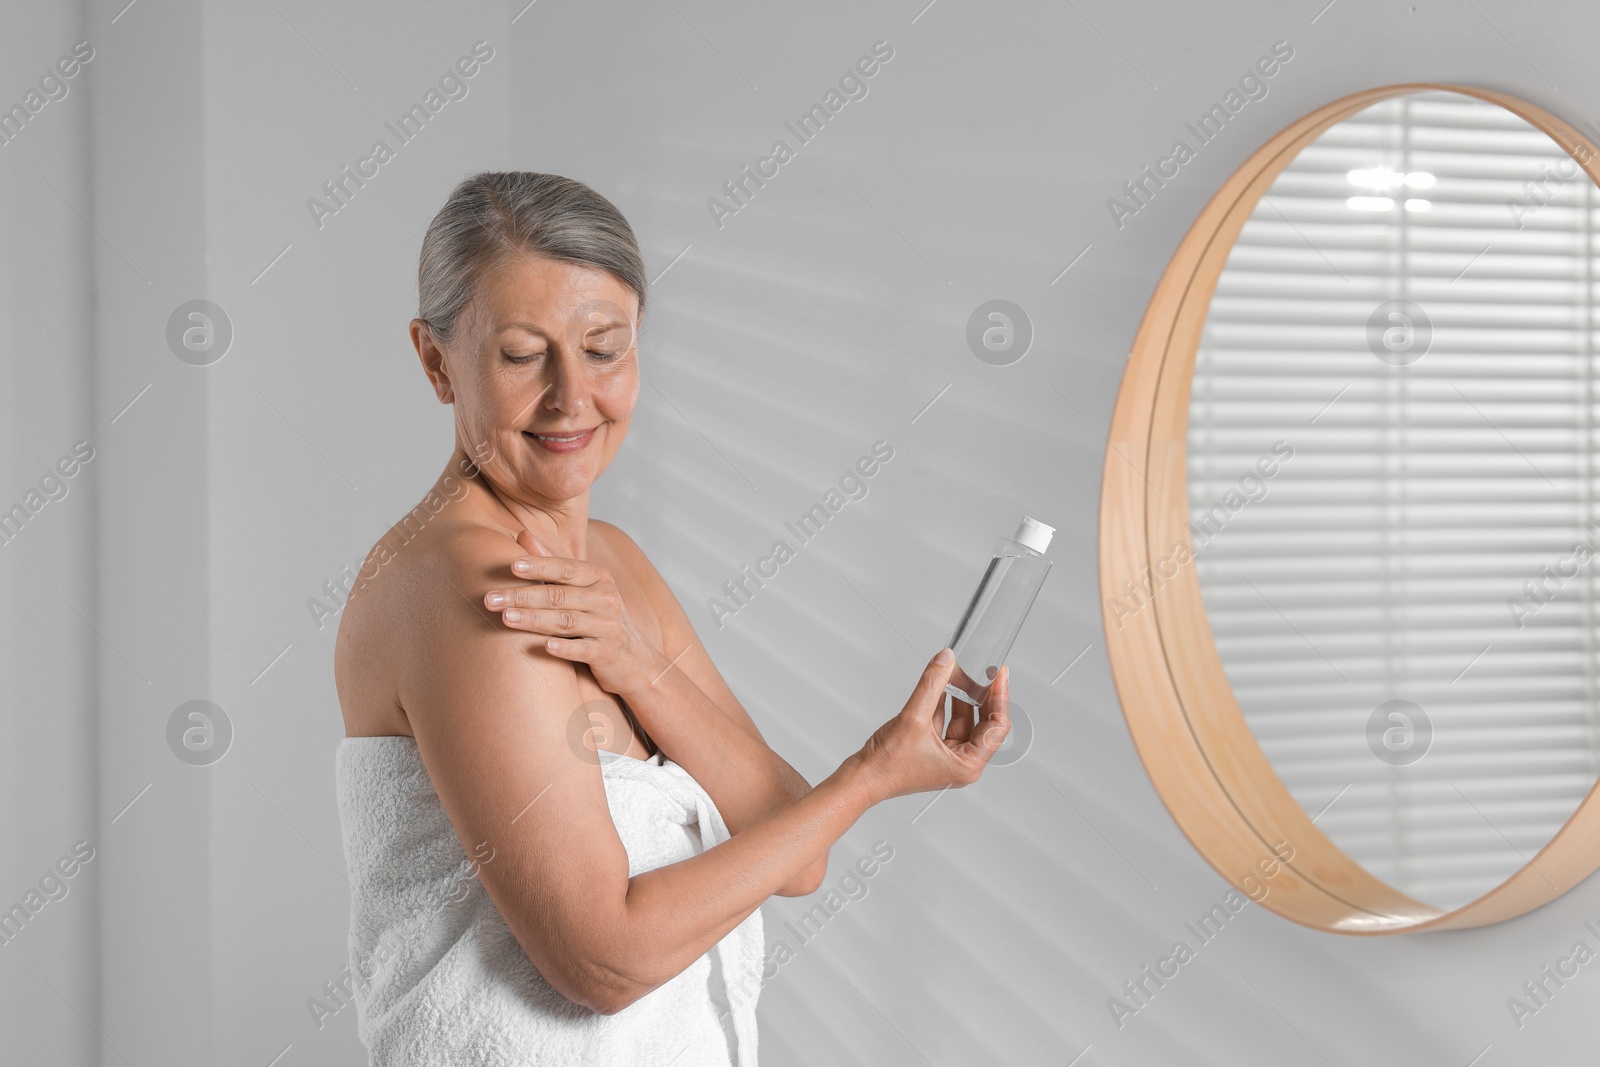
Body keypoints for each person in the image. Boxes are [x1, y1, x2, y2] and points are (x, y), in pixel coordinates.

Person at [332, 171, 1011, 1065]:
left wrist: (639, 666)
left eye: (604, 348)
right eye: (523, 354)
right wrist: (875, 772)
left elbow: (794, 855)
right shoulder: (465, 589)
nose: (573, 399)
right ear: (435, 361)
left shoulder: (611, 567)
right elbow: (600, 959)